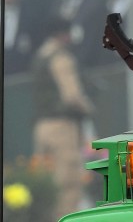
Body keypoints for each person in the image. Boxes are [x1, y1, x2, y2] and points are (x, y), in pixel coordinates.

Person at [32, 15, 95, 219]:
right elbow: (72, 96)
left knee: (45, 182)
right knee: (68, 183)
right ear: (63, 34)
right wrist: (88, 108)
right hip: (62, 128)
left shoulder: (41, 56)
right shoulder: (61, 58)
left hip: (42, 126)